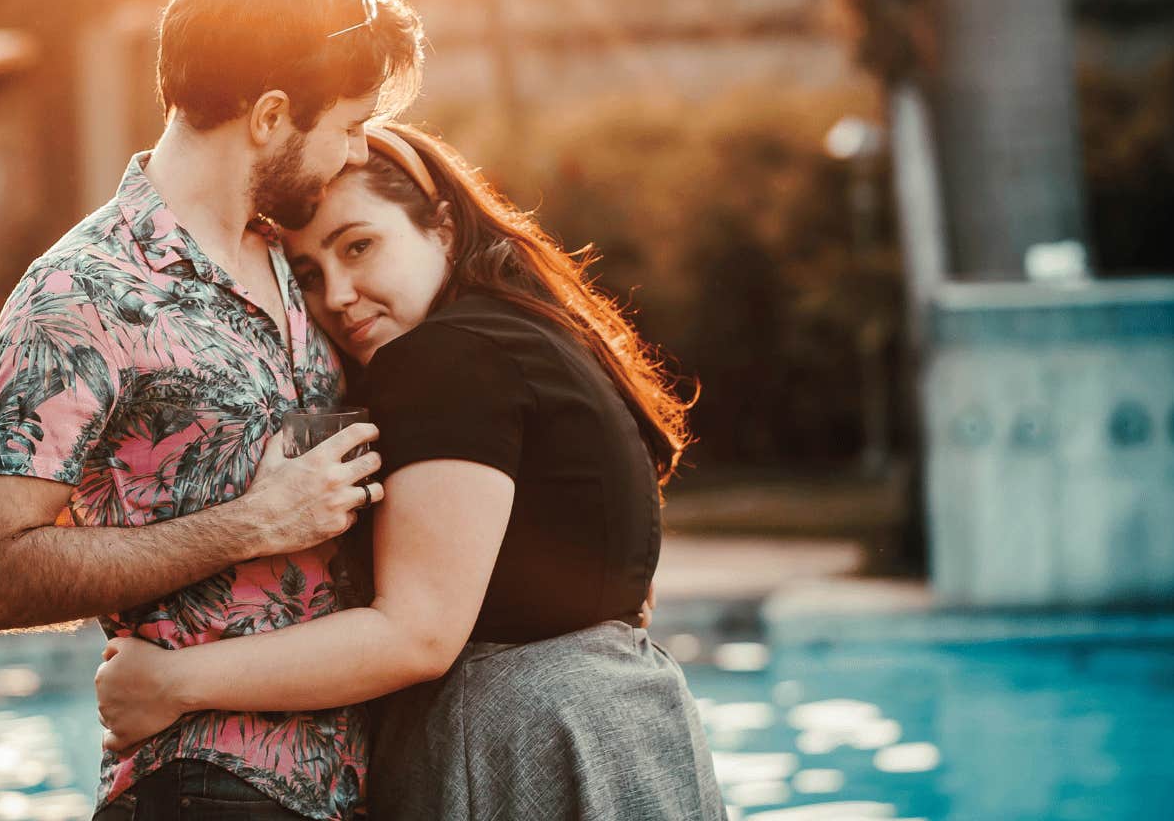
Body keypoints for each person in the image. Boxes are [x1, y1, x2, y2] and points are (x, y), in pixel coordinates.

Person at [93, 123, 727, 820]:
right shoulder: (542, 341)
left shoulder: (445, 357)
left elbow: (416, 634)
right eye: (308, 274)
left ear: (444, 231)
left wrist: (171, 683)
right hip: (630, 733)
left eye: (358, 247)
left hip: (515, 750)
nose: (337, 295)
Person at [0, 0, 427, 821]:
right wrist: (250, 524)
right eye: (351, 126)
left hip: (360, 788)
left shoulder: (304, 259)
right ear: (272, 116)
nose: (359, 152)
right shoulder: (81, 293)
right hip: (203, 791)